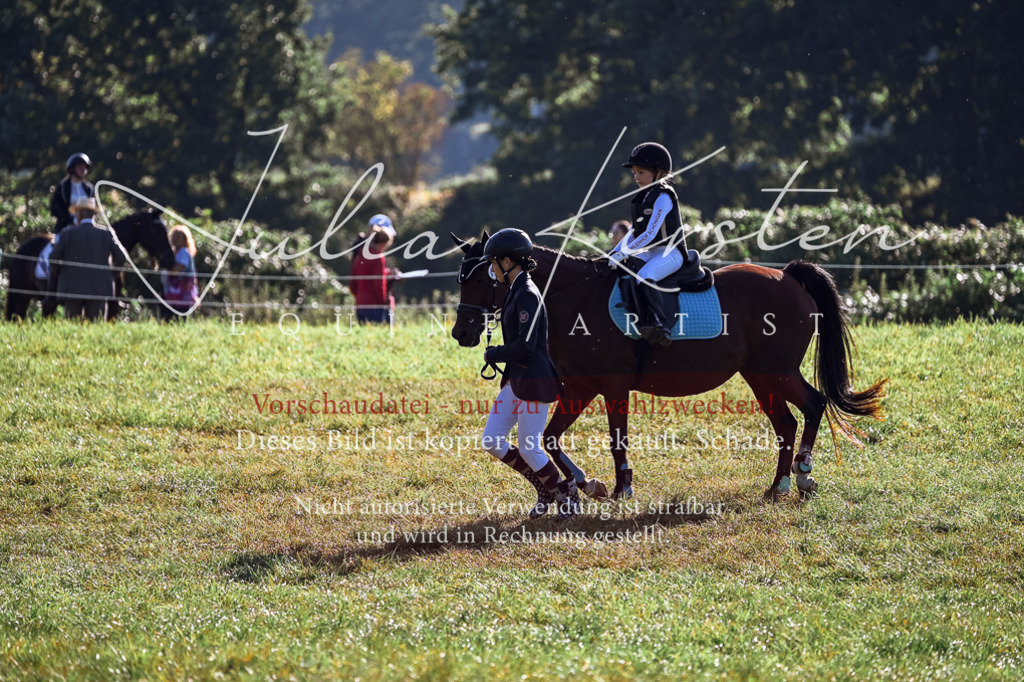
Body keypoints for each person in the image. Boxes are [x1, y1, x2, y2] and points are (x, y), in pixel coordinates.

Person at [479, 228, 580, 520]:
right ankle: (545, 488)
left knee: (529, 446)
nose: (491, 267)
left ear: (508, 261)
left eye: (493, 261)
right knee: (492, 440)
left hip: (534, 380)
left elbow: (524, 346)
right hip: (517, 380)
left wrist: (495, 353)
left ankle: (567, 493)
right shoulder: (514, 291)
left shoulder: (527, 294)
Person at [611, 142, 690, 346]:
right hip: (653, 252)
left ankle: (660, 325)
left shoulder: (664, 196)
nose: (636, 177)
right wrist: (612, 254)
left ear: (658, 172)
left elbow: (649, 233)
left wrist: (624, 253)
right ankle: (637, 316)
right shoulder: (642, 198)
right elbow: (632, 233)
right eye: (634, 172)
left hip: (673, 253)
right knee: (626, 269)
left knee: (646, 276)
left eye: (641, 172)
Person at [47, 197, 123, 321]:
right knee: (95, 330)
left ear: (80, 213)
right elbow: (122, 256)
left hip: (72, 287)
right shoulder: (107, 234)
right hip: (100, 288)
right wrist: (110, 275)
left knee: (73, 326)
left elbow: (53, 257)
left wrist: (61, 272)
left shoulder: (67, 233)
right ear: (93, 214)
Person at [350, 214, 397, 324]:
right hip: (376, 307)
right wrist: (384, 303)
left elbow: (353, 283)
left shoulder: (359, 255)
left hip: (360, 305)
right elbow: (378, 284)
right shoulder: (378, 258)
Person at [50, 153, 95, 234]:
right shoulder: (63, 186)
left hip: (85, 226)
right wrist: (71, 219)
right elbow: (55, 209)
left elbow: (92, 208)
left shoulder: (89, 188)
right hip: (66, 226)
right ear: (72, 169)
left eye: (84, 167)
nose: (83, 169)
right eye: (80, 167)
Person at [161, 224, 200, 318]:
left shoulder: (184, 252)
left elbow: (176, 271)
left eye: (178, 237)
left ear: (184, 239)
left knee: (176, 318)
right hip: (174, 294)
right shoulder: (175, 252)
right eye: (174, 236)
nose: (175, 239)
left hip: (181, 295)